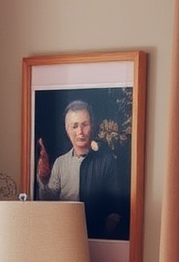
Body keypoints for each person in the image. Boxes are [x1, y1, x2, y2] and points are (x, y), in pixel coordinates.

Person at [36, 99, 128, 239]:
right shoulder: (60, 163)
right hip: (64, 237)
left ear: (92, 126)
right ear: (67, 130)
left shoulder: (106, 160)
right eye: (74, 126)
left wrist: (104, 235)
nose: (80, 131)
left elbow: (115, 207)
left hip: (97, 237)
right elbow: (48, 201)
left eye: (85, 125)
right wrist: (43, 177)